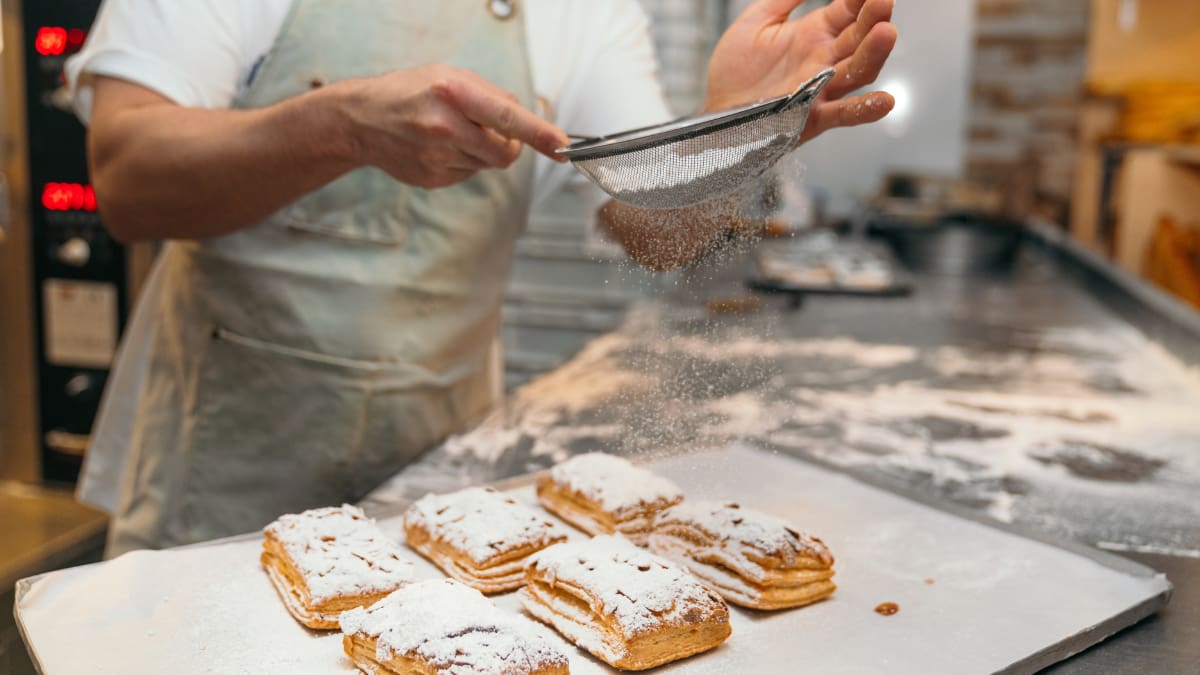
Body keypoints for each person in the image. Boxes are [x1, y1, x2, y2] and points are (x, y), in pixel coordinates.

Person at [67, 0, 898, 555]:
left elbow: (654, 232)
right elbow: (128, 182)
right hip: (218, 470)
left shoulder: (586, 11)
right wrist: (340, 127)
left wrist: (735, 139)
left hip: (431, 483)